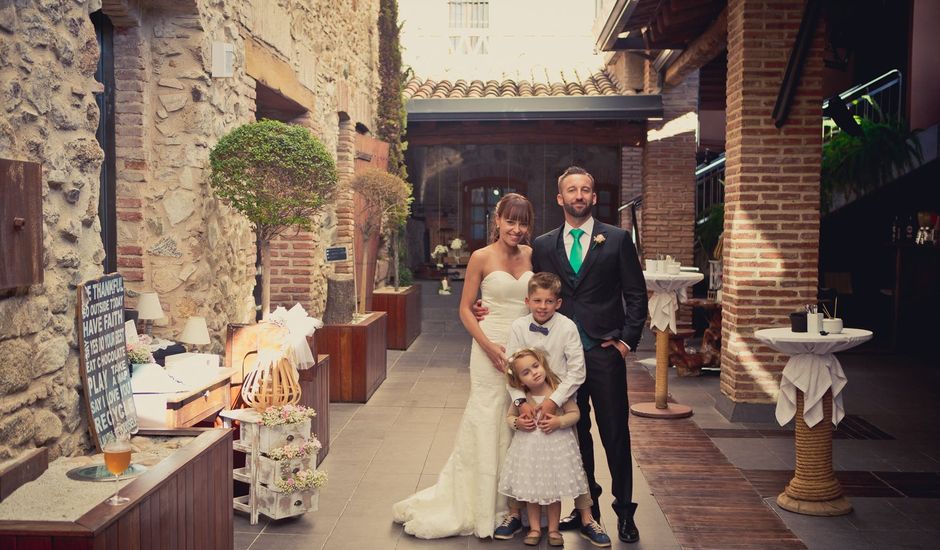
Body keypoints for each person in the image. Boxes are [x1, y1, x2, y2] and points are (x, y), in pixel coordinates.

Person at [474, 166, 647, 543]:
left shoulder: (617, 239)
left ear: (594, 197)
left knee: (615, 433)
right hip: (560, 362)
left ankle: (624, 511)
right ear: (560, 198)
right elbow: (527, 290)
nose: (579, 195)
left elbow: (636, 294)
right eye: (572, 190)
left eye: (586, 189)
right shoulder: (546, 245)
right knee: (576, 433)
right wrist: (481, 307)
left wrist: (625, 342)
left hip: (603, 352)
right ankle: (590, 511)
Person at [392, 193, 534, 539]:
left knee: (516, 419)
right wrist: (488, 348)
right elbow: (466, 308)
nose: (516, 229)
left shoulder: (531, 254)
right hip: (488, 346)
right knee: (486, 417)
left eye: (523, 222)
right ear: (497, 220)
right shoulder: (480, 257)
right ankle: (482, 504)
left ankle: (514, 504)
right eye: (510, 221)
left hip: (523, 347)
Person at [493, 272, 611, 547]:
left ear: (558, 303)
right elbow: (511, 368)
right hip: (525, 396)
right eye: (537, 301)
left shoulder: (568, 326)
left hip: (560, 396)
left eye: (548, 301)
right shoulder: (519, 326)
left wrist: (554, 401)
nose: (542, 306)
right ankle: (514, 513)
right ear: (528, 301)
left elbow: (577, 371)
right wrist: (521, 404)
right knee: (522, 460)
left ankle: (587, 517)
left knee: (573, 461)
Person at [499, 348, 589, 548]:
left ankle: (554, 529)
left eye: (536, 366)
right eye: (526, 372)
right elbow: (510, 417)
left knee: (553, 492)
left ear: (543, 364)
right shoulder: (522, 397)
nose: (535, 372)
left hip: (554, 450)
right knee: (532, 491)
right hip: (529, 451)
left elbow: (575, 413)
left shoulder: (558, 390)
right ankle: (534, 528)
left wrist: (559, 421)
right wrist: (518, 424)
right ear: (521, 381)